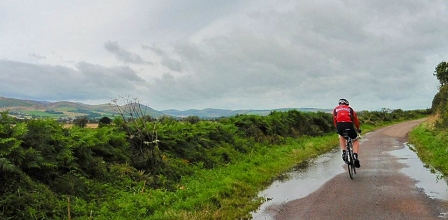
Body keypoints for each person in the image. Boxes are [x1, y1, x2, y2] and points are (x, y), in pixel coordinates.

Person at [333, 98, 361, 168]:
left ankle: (344, 152)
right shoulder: (350, 109)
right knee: (355, 140)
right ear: (347, 104)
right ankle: (355, 156)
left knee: (341, 135)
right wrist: (358, 128)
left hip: (339, 125)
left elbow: (335, 120)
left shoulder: (335, 109)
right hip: (349, 125)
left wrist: (337, 128)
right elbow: (355, 120)